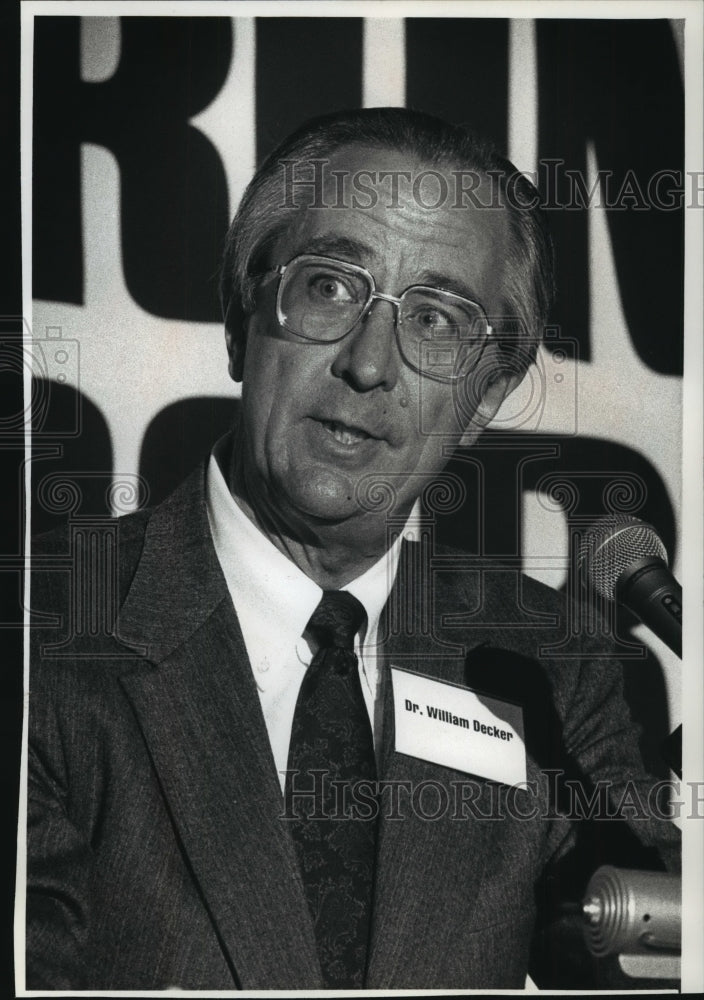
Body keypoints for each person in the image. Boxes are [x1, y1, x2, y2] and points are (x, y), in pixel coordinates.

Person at [26, 108, 679, 990]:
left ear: (486, 397)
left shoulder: (547, 666)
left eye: (438, 321)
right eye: (331, 286)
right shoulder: (45, 630)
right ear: (239, 318)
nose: (370, 364)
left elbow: (638, 952)